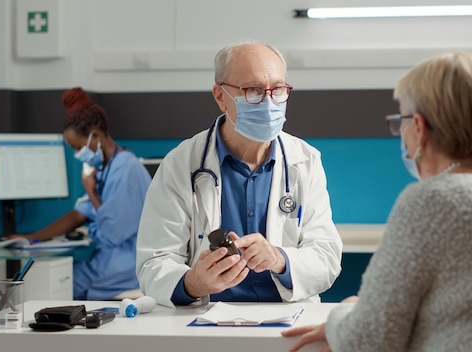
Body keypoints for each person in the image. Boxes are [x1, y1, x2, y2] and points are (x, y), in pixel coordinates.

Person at [282, 52, 472, 351]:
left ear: (420, 127)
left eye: (402, 120)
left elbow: (370, 339)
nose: (402, 131)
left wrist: (346, 311)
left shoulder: (430, 201)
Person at [135, 41, 342, 308]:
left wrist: (280, 260)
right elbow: (153, 263)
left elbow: (326, 257)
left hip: (287, 321)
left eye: (277, 89)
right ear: (220, 96)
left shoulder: (305, 161)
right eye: (253, 90)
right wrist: (192, 283)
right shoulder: (180, 164)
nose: (269, 102)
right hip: (205, 324)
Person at [11, 87, 152, 300]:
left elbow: (112, 233)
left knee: (54, 285)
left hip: (124, 267)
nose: (78, 154)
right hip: (110, 260)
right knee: (59, 278)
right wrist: (32, 238)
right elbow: (80, 214)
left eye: (77, 147)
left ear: (94, 137)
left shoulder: (126, 169)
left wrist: (91, 191)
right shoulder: (107, 168)